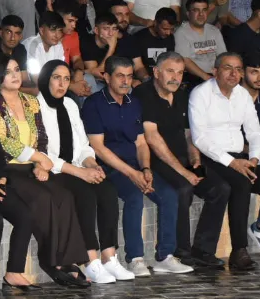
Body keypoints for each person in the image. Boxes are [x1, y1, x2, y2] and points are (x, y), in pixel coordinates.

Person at [0, 58, 91, 287]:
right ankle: (51, 262)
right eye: (8, 71)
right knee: (42, 198)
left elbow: (41, 136)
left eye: (17, 70)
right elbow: (3, 141)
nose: (15, 75)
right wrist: (38, 158)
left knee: (64, 196)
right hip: (6, 169)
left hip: (31, 166)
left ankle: (66, 260)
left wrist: (40, 164)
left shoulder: (30, 101)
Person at [188, 52, 260, 270]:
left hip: (241, 157)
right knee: (241, 183)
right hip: (211, 157)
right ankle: (239, 250)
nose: (234, 74)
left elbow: (254, 132)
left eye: (238, 69)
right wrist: (232, 163)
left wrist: (254, 158)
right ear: (215, 71)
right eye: (228, 68)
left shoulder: (248, 96)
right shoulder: (201, 94)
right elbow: (199, 138)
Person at [81, 56, 193, 276]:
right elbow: (98, 147)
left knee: (169, 194)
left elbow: (141, 143)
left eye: (129, 76)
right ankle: (135, 258)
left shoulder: (134, 103)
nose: (125, 81)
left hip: (135, 165)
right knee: (134, 197)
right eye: (120, 76)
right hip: (108, 166)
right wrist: (133, 174)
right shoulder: (94, 104)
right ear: (106, 77)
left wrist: (145, 169)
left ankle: (165, 256)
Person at [37, 61, 135, 283]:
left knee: (107, 189)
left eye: (66, 79)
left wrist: (91, 164)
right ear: (45, 79)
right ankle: (90, 261)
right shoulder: (35, 106)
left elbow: (82, 145)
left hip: (76, 166)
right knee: (85, 194)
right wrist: (80, 173)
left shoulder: (71, 105)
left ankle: (109, 257)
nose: (62, 84)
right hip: (52, 170)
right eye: (56, 78)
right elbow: (41, 153)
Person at [133, 52, 232, 267]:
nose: (175, 78)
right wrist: (184, 172)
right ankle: (181, 251)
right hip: (156, 160)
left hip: (183, 158)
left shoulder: (182, 95)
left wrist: (195, 160)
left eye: (179, 73)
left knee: (220, 188)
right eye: (170, 71)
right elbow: (152, 138)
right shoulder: (143, 94)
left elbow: (189, 133)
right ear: (156, 72)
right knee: (183, 187)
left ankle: (203, 250)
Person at [174, 0, 226, 86]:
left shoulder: (214, 30)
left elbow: (223, 57)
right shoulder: (181, 32)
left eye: (204, 10)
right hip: (193, 78)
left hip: (215, 76)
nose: (201, 14)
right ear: (188, 14)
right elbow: (185, 61)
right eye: (196, 10)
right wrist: (207, 78)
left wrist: (222, 74)